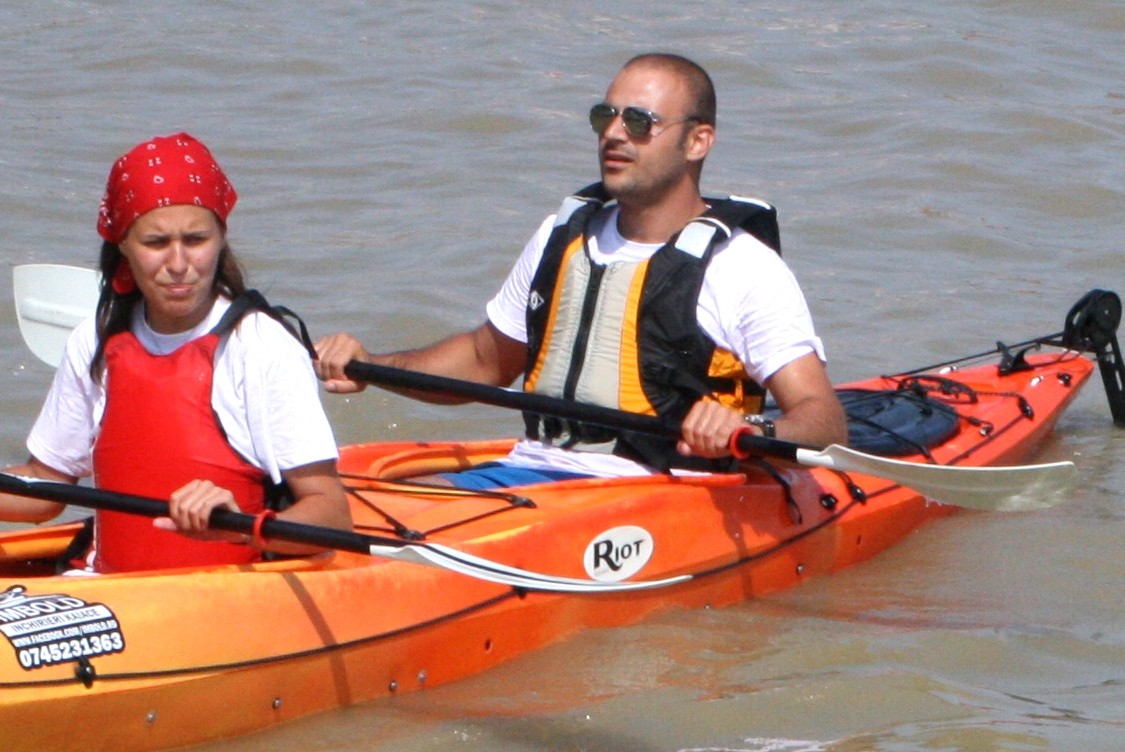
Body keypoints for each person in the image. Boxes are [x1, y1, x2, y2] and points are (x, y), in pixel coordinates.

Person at [308, 52, 845, 488]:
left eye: (639, 121)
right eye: (604, 117)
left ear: (698, 140)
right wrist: (370, 365)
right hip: (531, 472)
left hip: (655, 493)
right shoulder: (560, 236)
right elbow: (483, 360)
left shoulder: (742, 267)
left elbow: (822, 422)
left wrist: (746, 425)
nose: (614, 133)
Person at [0, 133, 351, 573]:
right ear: (123, 246)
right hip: (112, 593)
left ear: (221, 239)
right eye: (156, 243)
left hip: (225, 596)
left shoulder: (261, 347)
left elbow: (330, 515)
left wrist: (240, 520)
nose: (180, 264)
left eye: (196, 239)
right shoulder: (97, 340)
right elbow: (43, 490)